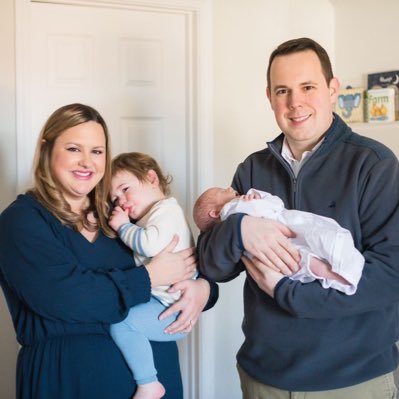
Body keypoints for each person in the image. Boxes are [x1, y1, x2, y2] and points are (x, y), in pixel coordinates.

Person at [197, 37, 399, 399]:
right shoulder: (252, 169)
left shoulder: (374, 165)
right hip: (264, 378)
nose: (294, 102)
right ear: (269, 97)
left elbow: (390, 277)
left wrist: (287, 292)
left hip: (354, 381)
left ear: (333, 89)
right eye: (282, 91)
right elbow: (214, 266)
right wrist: (241, 230)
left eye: (307, 87)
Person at [0, 103, 218, 399]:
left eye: (97, 151)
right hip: (66, 382)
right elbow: (66, 298)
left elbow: (183, 257)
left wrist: (204, 289)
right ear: (47, 149)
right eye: (74, 149)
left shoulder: (120, 215)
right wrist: (148, 278)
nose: (87, 162)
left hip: (157, 379)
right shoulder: (22, 221)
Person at [108, 151, 197, 399]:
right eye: (114, 198)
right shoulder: (154, 216)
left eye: (125, 189)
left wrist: (123, 226)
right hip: (164, 303)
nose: (121, 201)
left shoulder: (166, 212)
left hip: (174, 311)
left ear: (151, 178)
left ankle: (148, 383)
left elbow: (149, 245)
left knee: (121, 323)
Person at [193, 186, 364, 295]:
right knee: (320, 238)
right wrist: (238, 228)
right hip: (281, 243)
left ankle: (328, 271)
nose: (230, 188)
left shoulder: (373, 162)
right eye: (223, 191)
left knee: (301, 260)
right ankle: (342, 271)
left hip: (347, 331)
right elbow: (210, 264)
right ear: (215, 213)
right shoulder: (232, 207)